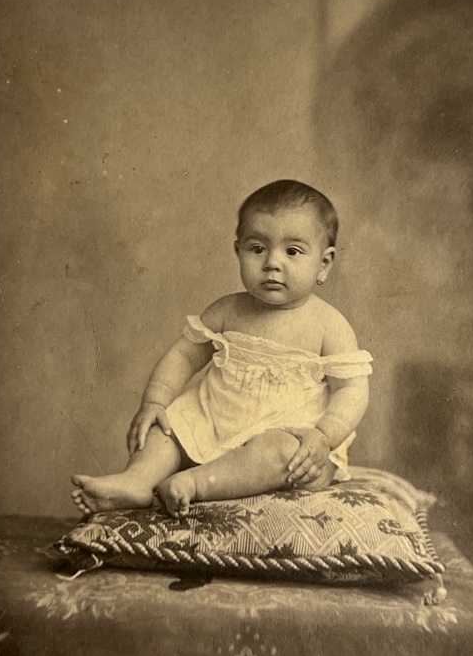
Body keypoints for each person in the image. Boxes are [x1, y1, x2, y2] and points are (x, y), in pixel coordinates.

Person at [71, 180, 373, 518]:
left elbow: (352, 388)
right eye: (257, 248)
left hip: (290, 440)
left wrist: (323, 436)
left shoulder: (328, 324)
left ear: (324, 264)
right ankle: (136, 481)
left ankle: (196, 484)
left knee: (279, 451)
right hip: (216, 422)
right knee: (168, 426)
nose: (272, 262)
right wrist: (156, 401)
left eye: (292, 251)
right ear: (238, 251)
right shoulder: (226, 311)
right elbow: (184, 355)